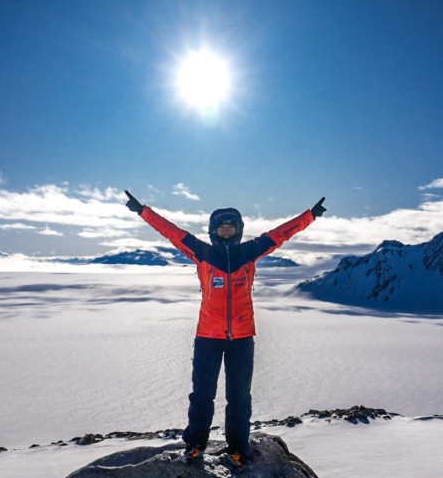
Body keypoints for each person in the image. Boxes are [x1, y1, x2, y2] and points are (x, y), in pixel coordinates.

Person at [124, 190, 326, 470]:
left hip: (242, 338)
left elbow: (280, 234)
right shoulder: (203, 253)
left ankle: (238, 450)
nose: (227, 231)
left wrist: (309, 216)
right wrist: (143, 211)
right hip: (207, 337)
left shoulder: (249, 252)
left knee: (240, 398)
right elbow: (172, 232)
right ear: (213, 231)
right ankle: (195, 445)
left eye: (231, 227)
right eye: (222, 227)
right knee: (202, 396)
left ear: (239, 230)